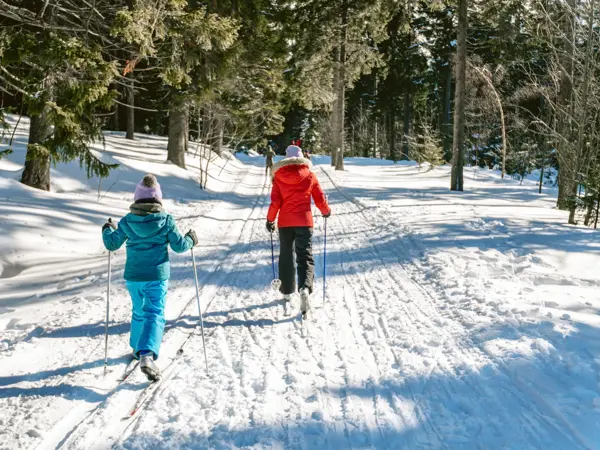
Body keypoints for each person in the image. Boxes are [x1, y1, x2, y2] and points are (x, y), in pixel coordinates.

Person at [102, 174, 198, 381]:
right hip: (156, 275)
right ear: (158, 199)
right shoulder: (166, 221)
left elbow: (111, 244)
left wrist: (107, 230)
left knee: (139, 311)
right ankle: (146, 354)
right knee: (154, 312)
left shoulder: (127, 221)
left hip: (134, 276)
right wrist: (191, 239)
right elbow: (180, 246)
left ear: (137, 199)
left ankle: (138, 348)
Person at [266, 145, 331, 316]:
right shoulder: (310, 175)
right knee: (305, 256)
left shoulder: (279, 177)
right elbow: (319, 198)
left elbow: (275, 202)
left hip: (285, 223)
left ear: (287, 158)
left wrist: (270, 219)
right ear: (302, 158)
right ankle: (304, 288)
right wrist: (326, 211)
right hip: (304, 222)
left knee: (286, 255)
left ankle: (287, 291)